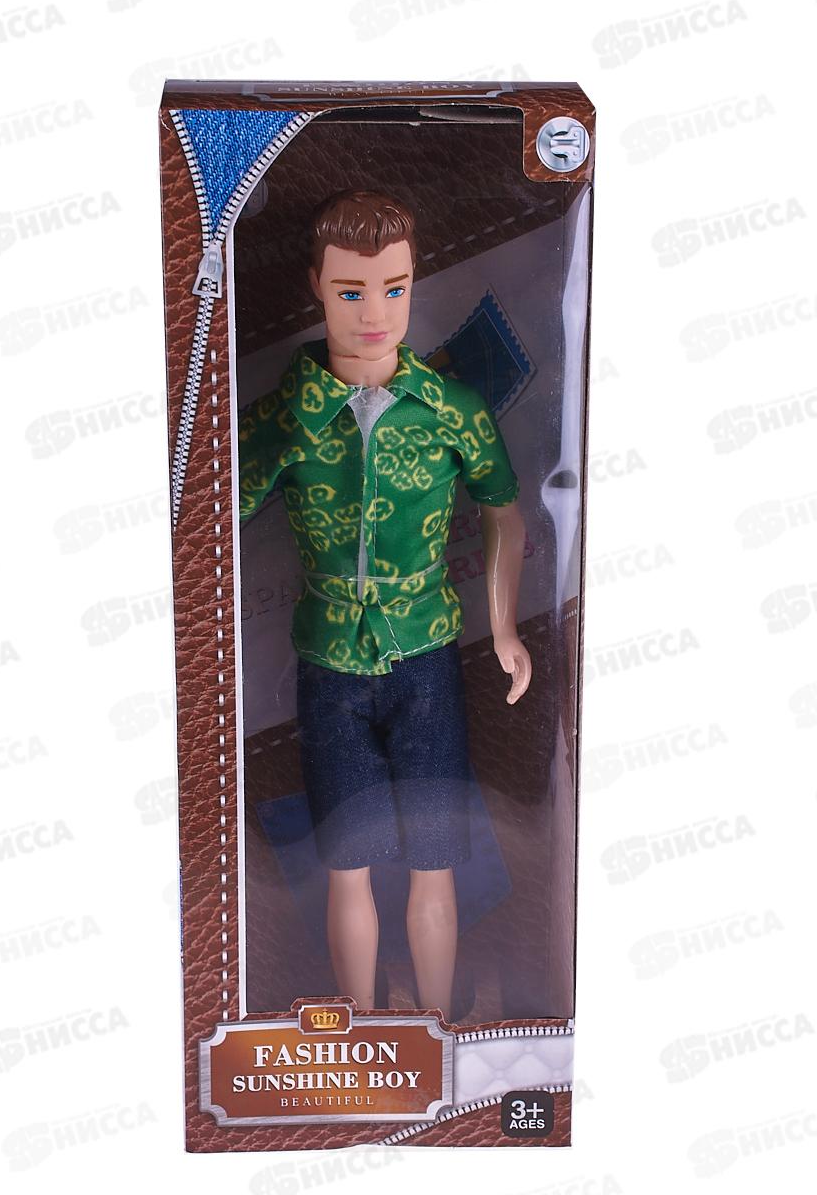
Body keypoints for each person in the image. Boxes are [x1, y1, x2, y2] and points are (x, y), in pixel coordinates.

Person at [237, 189, 531, 1019]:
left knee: (436, 861)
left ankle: (437, 1025)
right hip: (329, 663)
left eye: (394, 288)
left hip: (426, 658)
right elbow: (212, 515)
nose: (375, 313)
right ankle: (356, 1025)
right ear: (317, 289)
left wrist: (504, 627)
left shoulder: (450, 410)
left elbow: (504, 509)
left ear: (414, 282)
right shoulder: (288, 417)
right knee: (348, 864)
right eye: (351, 290)